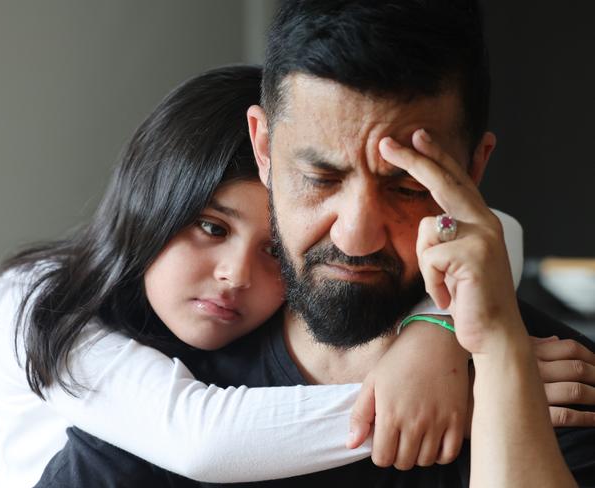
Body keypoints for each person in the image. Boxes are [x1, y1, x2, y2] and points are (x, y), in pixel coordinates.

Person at [33, 1, 595, 487]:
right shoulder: (167, 374)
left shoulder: (562, 380)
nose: (355, 235)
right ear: (264, 148)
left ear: (473, 171)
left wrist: (500, 364)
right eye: (321, 178)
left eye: (404, 187)